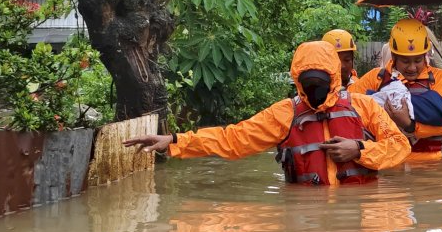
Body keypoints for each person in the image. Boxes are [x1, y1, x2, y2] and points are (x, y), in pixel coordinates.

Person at [123, 41, 411, 185]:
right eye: (308, 83)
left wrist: (359, 149)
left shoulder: (364, 106)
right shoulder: (285, 114)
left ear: (334, 77)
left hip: (358, 212)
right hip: (305, 218)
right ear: (298, 81)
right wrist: (174, 141)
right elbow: (233, 139)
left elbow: (399, 146)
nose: (315, 91)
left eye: (320, 82)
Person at [348, 18, 442, 161]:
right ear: (393, 56)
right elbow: (348, 109)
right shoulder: (375, 78)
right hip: (389, 163)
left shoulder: (440, 78)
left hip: (431, 164)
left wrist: (410, 125)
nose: (412, 68)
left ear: (425, 56)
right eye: (405, 61)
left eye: (418, 60)